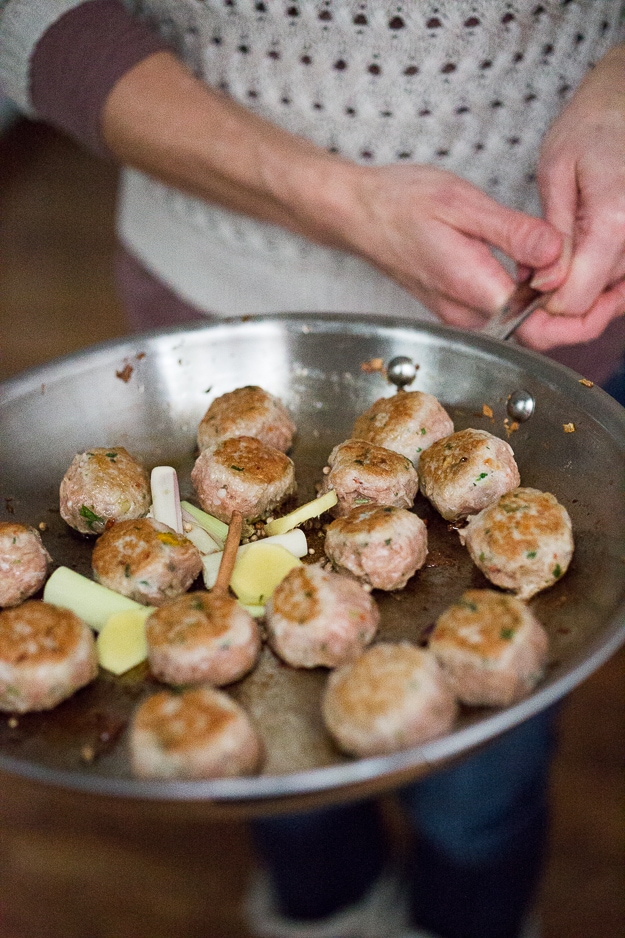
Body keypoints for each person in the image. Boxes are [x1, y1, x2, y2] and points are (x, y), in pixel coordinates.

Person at [1, 3, 624, 937]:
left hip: (550, 276)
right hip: (206, 272)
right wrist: (338, 198)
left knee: (480, 790)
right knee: (283, 797)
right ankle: (325, 909)